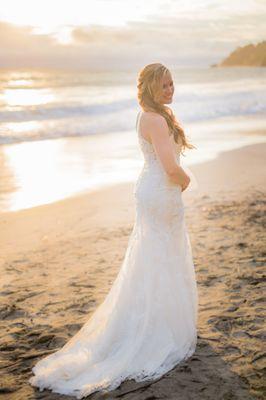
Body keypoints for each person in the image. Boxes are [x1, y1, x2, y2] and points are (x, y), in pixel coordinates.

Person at [29, 62, 198, 399]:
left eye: (172, 84)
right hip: (161, 191)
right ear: (150, 87)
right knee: (163, 257)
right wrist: (187, 180)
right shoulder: (156, 118)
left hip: (149, 190)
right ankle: (159, 330)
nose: (170, 90)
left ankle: (153, 321)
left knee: (152, 259)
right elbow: (169, 167)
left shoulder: (145, 116)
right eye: (164, 85)